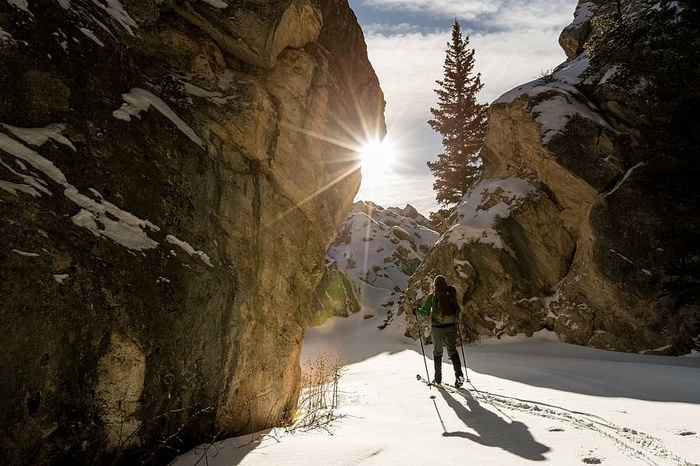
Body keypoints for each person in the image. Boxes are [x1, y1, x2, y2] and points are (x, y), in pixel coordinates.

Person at [413, 275, 465, 387]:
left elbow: (425, 311)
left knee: (438, 351)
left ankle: (437, 379)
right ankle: (459, 375)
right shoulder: (451, 295)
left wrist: (416, 311)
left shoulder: (433, 297)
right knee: (452, 350)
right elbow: (457, 309)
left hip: (437, 328)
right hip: (451, 326)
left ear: (435, 285)